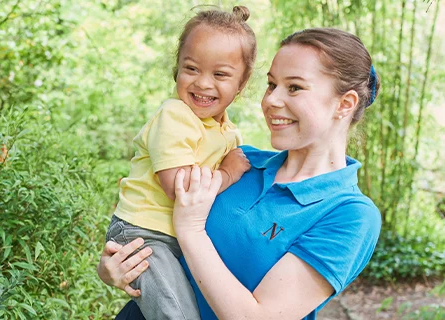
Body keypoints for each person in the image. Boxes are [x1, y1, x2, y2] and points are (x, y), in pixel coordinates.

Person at [98, 27, 382, 320]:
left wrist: (191, 230)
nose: (271, 100)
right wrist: (119, 267)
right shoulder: (238, 162)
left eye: (294, 87)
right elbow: (151, 221)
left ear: (345, 104)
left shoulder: (349, 214)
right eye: (272, 85)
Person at [103, 6, 257, 320]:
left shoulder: (227, 131)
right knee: (177, 314)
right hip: (142, 235)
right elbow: (180, 188)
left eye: (220, 74)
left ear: (241, 83)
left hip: (173, 239)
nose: (203, 83)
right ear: (177, 68)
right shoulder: (175, 116)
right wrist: (227, 172)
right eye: (191, 69)